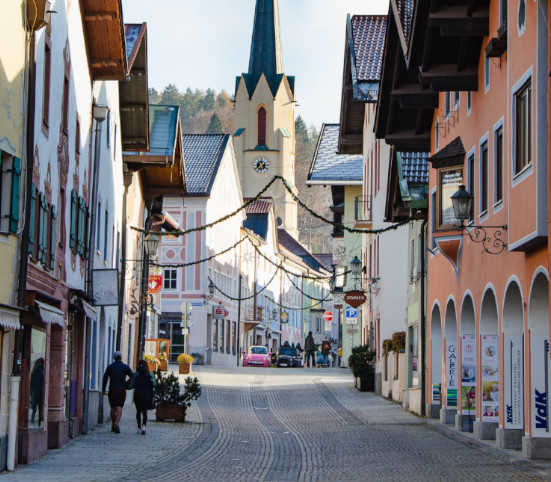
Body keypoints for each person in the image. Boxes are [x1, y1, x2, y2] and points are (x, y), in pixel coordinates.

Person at [102, 351, 133, 433]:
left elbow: (105, 378)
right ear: (121, 358)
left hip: (112, 389)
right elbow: (132, 376)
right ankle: (116, 423)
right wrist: (126, 383)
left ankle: (113, 424)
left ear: (114, 358)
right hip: (121, 389)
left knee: (112, 407)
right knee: (119, 407)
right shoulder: (125, 367)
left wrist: (103, 389)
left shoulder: (110, 367)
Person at [131, 359, 156, 435]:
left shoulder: (136, 374)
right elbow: (154, 384)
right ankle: (144, 426)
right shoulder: (150, 374)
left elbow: (131, 384)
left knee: (138, 411)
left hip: (137, 393)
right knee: (144, 411)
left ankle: (139, 427)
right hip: (147, 394)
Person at [30, 358, 45, 426]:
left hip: (34, 391)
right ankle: (40, 422)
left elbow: (31, 383)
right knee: (40, 407)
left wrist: (30, 393)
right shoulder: (42, 370)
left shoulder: (34, 371)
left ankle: (32, 421)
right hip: (40, 391)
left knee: (34, 408)